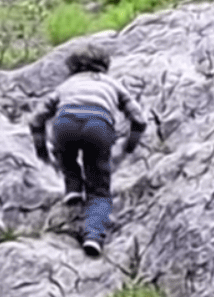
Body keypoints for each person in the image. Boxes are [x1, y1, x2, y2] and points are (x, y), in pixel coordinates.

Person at [28, 44, 147, 257]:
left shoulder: (65, 86)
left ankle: (73, 186)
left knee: (64, 153)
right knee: (99, 190)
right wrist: (127, 148)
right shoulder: (113, 85)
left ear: (72, 68)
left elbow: (36, 119)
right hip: (98, 127)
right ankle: (93, 236)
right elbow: (139, 119)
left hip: (65, 124)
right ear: (105, 66)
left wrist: (41, 150)